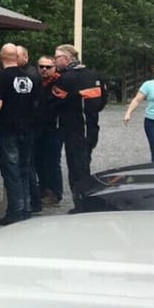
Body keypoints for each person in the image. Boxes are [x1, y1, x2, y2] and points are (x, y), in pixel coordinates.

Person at [0, 43, 41, 225]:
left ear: (1, 56)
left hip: (8, 130)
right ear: (16, 57)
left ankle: (14, 212)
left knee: (11, 172)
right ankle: (26, 209)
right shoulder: (29, 77)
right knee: (25, 171)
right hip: (28, 130)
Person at [50, 44, 102, 208]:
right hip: (91, 128)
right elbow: (102, 101)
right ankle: (85, 201)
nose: (54, 60)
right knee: (84, 164)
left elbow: (51, 103)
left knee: (77, 168)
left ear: (66, 58)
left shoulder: (67, 78)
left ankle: (82, 205)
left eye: (56, 57)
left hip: (76, 128)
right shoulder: (93, 75)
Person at [34, 55, 64, 207]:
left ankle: (56, 192)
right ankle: (44, 189)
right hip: (39, 126)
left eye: (48, 67)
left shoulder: (60, 82)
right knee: (38, 159)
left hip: (54, 127)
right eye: (41, 66)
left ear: (55, 68)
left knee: (53, 160)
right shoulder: (37, 82)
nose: (44, 69)